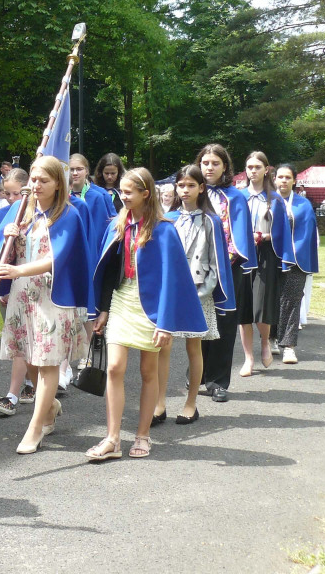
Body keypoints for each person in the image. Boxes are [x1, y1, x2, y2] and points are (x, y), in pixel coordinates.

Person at [86, 168, 206, 461]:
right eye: (122, 192)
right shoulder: (117, 224)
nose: (123, 197)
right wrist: (102, 309)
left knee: (148, 372)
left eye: (129, 192)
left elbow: (172, 280)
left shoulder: (164, 230)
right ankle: (112, 440)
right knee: (114, 368)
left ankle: (142, 436)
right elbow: (109, 270)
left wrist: (165, 323)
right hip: (121, 300)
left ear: (145, 194)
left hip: (151, 309)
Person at [0, 156, 90, 454]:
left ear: (58, 184)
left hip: (52, 297)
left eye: (44, 180)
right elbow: (1, 252)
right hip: (21, 295)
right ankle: (50, 404)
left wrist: (18, 271)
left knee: (47, 362)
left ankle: (35, 426)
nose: (36, 185)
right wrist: (7, 237)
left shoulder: (69, 214)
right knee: (29, 358)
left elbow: (58, 258)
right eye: (33, 178)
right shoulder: (20, 212)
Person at [155, 165, 234, 425]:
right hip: (172, 291)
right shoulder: (168, 218)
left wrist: (203, 291)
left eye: (191, 185)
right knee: (163, 346)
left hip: (199, 292)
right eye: (181, 185)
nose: (185, 190)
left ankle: (191, 403)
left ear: (201, 188)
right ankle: (160, 402)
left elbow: (216, 262)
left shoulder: (211, 220)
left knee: (194, 345)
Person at [196, 144, 257, 403]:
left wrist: (222, 261)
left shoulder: (236, 197)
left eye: (215, 163)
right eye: (205, 163)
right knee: (198, 323)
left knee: (224, 323)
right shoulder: (191, 192)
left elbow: (240, 237)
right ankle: (198, 372)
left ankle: (218, 381)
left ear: (225, 167)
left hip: (228, 269)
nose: (209, 167)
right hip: (196, 269)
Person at [0, 169, 38, 416]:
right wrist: (1, 289)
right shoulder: (1, 216)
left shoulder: (40, 215)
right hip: (14, 286)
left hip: (38, 284)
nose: (13, 198)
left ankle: (17, 392)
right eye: (8, 193)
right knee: (19, 340)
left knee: (32, 342)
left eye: (18, 193)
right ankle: (23, 389)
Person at [238, 151, 284, 377]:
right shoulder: (239, 197)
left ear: (266, 169)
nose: (252, 171)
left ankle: (265, 341)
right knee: (243, 310)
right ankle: (248, 358)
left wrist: (264, 237)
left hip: (266, 253)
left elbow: (283, 232)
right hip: (242, 255)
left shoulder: (275, 199)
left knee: (260, 306)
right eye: (249, 167)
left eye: (257, 167)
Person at [273, 164, 319, 364]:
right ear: (274, 179)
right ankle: (270, 338)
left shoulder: (304, 205)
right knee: (270, 302)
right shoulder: (266, 201)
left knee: (292, 302)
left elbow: (307, 234)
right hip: (270, 260)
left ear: (294, 181)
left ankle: (289, 347)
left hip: (295, 262)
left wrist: (293, 255)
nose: (283, 180)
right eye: (280, 177)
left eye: (287, 177)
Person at [68, 153, 117, 267]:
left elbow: (104, 229)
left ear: (87, 171)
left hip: (92, 252)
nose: (75, 173)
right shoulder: (62, 197)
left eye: (79, 169)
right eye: (71, 169)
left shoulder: (100, 196)